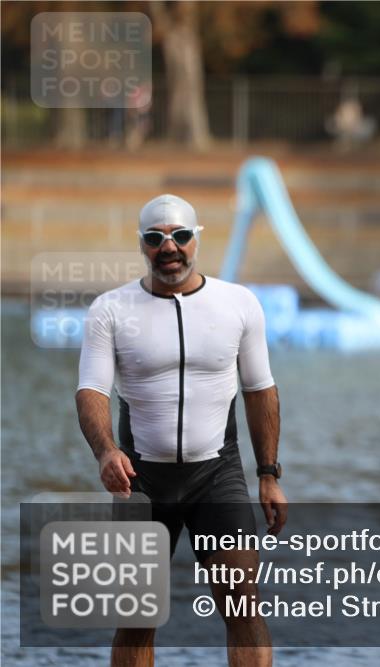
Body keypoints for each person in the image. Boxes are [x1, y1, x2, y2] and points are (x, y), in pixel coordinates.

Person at [75, 194, 287, 667]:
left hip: (217, 476)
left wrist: (269, 474)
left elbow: (260, 390)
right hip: (141, 481)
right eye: (155, 238)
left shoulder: (238, 303)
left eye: (180, 236)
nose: (168, 248)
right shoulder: (111, 309)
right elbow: (91, 391)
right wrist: (106, 451)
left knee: (243, 605)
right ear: (142, 245)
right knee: (136, 619)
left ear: (196, 240)